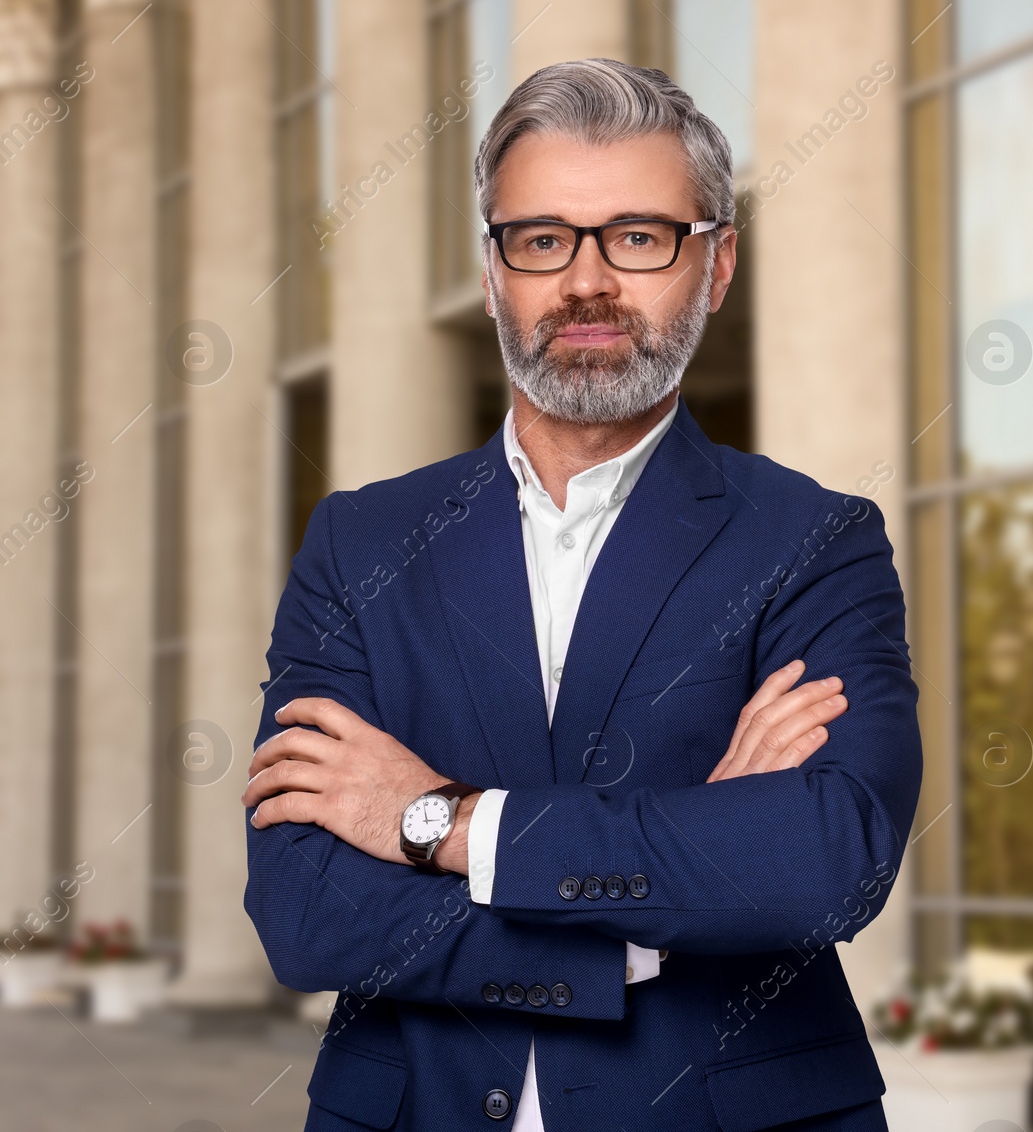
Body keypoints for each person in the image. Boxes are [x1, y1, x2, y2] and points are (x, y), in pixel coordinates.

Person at [241, 57, 921, 1131]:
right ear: (492, 269)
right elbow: (306, 911)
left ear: (717, 263)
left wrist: (438, 822)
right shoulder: (360, 540)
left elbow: (825, 860)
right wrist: (674, 884)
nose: (588, 281)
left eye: (640, 236)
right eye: (543, 238)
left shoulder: (815, 540)